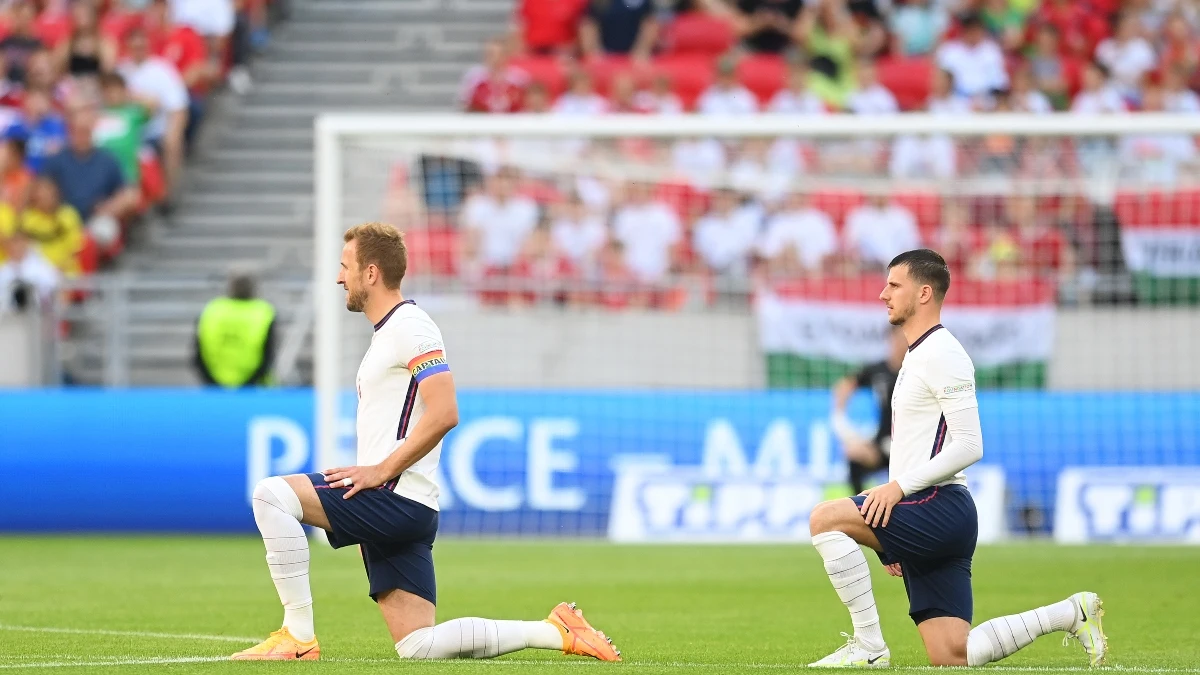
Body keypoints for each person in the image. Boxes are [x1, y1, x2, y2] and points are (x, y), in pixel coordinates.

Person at [232, 223, 621, 662]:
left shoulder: (411, 326)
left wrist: (381, 470)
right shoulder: (389, 332)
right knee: (418, 646)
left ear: (372, 272)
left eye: (345, 267)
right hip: (406, 503)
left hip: (392, 496)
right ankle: (557, 632)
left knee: (271, 496)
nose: (340, 277)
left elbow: (445, 412)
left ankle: (297, 637)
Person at [805, 249, 1107, 668]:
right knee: (952, 654)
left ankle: (869, 647)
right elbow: (916, 445)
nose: (882, 294)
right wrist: (887, 532)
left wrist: (896, 490)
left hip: (939, 506)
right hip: (929, 510)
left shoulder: (944, 353)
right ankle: (1071, 613)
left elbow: (970, 445)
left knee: (825, 518)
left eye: (894, 285)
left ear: (924, 292)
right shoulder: (915, 353)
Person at [830, 327, 906, 496]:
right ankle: (860, 510)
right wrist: (840, 421)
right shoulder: (878, 370)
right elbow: (845, 386)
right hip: (883, 442)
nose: (903, 343)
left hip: (909, 445)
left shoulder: (917, 371)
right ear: (891, 339)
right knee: (854, 454)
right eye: (899, 338)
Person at [193, 271, 276, 388]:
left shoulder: (212, 310)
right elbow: (268, 355)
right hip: (253, 388)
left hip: (214, 386)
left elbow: (198, 355)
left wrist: (212, 383)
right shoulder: (263, 312)